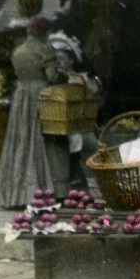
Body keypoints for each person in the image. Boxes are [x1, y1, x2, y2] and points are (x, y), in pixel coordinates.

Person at [0, 15, 62, 208]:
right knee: (38, 138)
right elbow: (52, 76)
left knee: (20, 139)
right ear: (45, 33)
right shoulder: (45, 49)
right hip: (39, 95)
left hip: (21, 95)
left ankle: (16, 194)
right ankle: (37, 191)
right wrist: (60, 72)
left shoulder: (18, 51)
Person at [49, 31, 103, 190]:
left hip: (76, 123)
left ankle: (80, 183)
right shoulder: (53, 79)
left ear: (71, 60)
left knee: (78, 151)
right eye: (55, 60)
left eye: (61, 59)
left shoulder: (79, 79)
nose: (58, 63)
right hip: (58, 123)